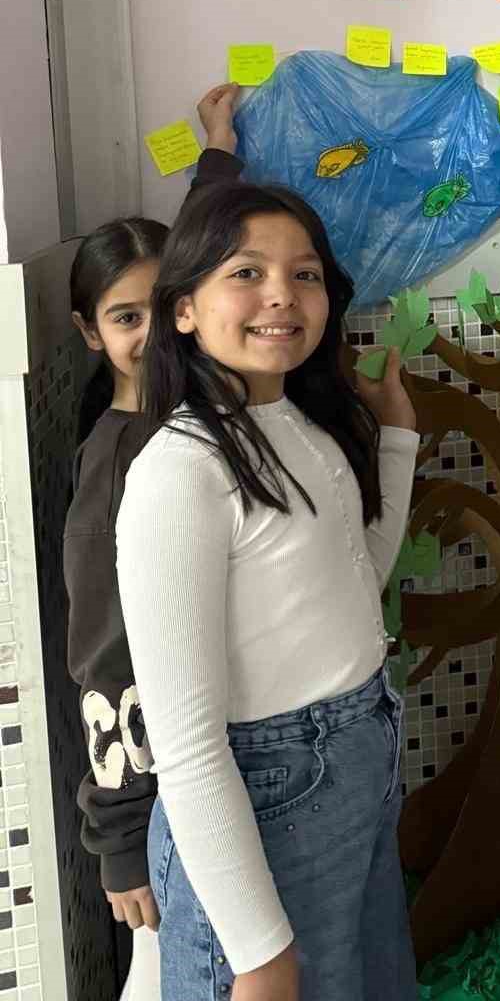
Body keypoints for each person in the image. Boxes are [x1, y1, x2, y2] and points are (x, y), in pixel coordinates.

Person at [116, 181, 420, 1001]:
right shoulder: (180, 472)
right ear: (184, 308)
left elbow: (356, 583)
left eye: (304, 274)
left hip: (353, 762)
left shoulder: (301, 425)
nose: (282, 294)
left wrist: (397, 437)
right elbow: (186, 743)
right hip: (266, 796)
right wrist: (255, 951)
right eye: (246, 273)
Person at [66, 84, 244, 1001]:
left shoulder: (191, 409)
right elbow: (106, 664)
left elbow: (199, 243)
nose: (148, 332)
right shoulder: (118, 469)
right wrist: (121, 840)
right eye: (121, 318)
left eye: (157, 309)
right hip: (164, 800)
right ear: (88, 333)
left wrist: (219, 149)